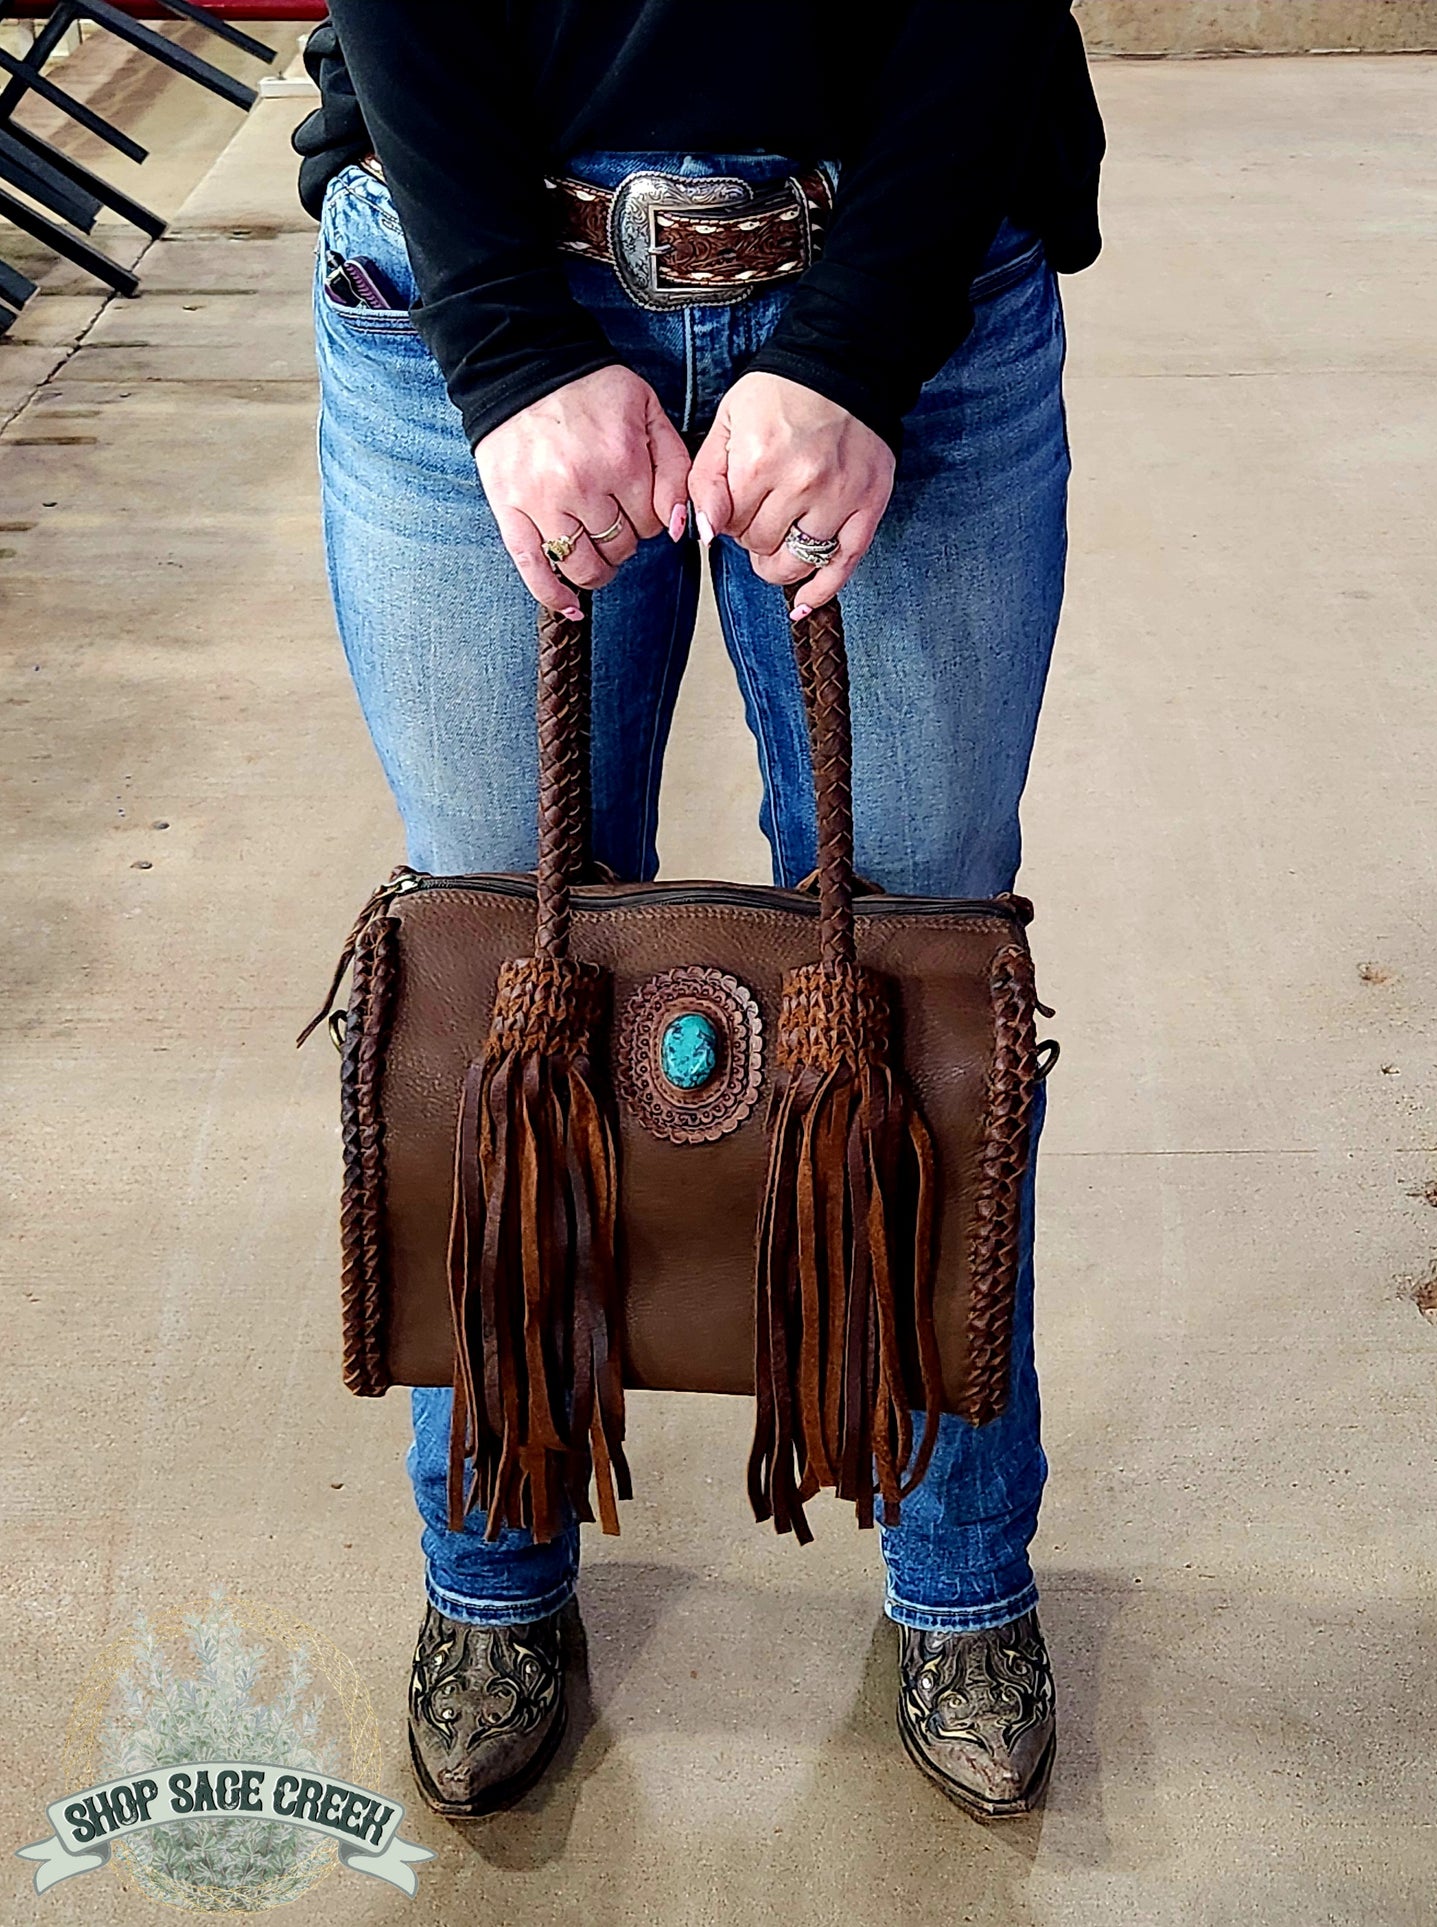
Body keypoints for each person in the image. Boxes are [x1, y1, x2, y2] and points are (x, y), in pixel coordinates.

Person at [294, 0, 1104, 1824]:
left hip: (908, 250)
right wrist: (504, 347)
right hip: (467, 265)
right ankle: (488, 1573)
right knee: (502, 978)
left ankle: (959, 1572)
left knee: (909, 976)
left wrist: (859, 340)